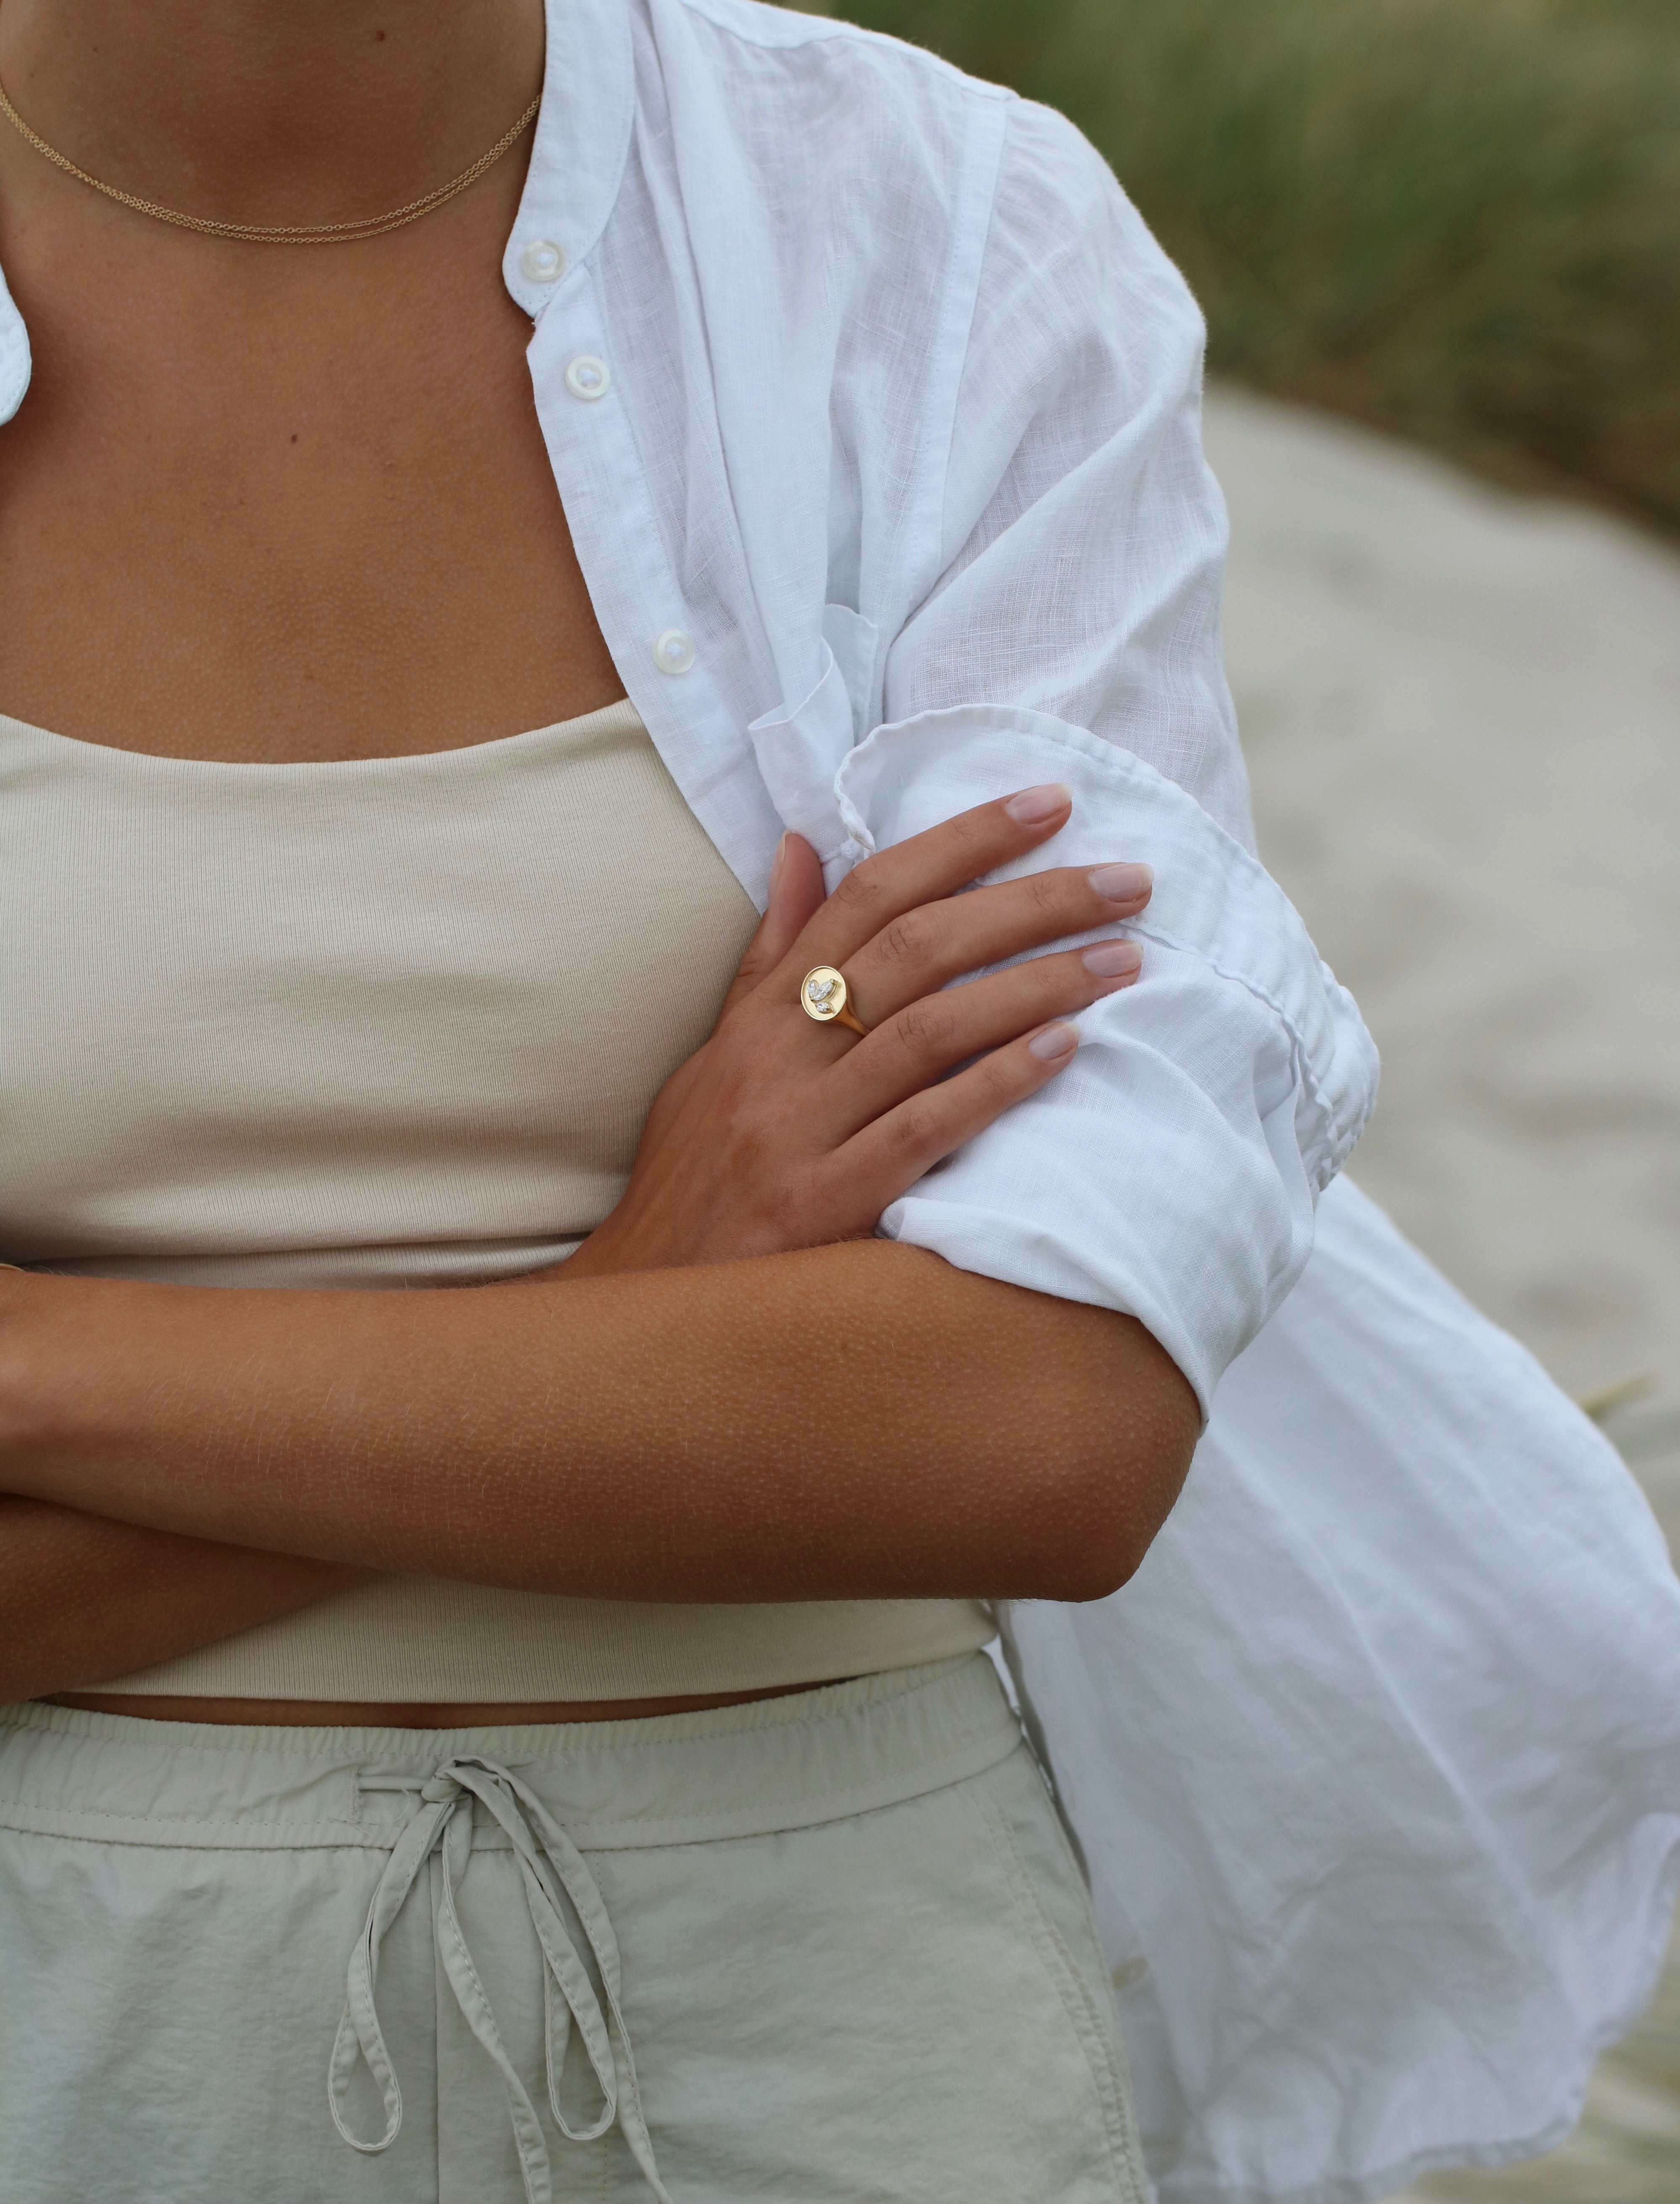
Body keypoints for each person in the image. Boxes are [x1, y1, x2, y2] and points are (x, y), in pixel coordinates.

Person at [0, 2, 1675, 2201]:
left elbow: (1044, 1427)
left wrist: (35, 1361)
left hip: (832, 2043)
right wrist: (647, 1282)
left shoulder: (937, 233)